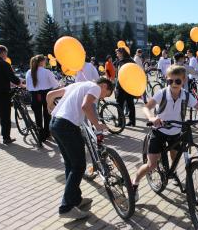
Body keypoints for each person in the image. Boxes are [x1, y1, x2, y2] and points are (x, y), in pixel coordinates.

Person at [131, 65, 198, 201]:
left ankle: (172, 172)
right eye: (170, 81)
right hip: (159, 131)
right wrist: (152, 118)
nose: (173, 84)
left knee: (175, 156)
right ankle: (135, 183)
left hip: (176, 132)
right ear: (166, 81)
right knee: (152, 165)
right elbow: (147, 107)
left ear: (184, 80)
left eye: (177, 81)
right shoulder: (162, 93)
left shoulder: (187, 95)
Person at [46, 77, 113, 219]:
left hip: (55, 124)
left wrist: (50, 107)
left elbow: (49, 95)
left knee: (70, 165)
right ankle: (66, 208)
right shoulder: (95, 87)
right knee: (79, 166)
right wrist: (98, 125)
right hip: (67, 126)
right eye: (105, 94)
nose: (101, 98)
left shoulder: (77, 85)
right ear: (104, 86)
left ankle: (75, 200)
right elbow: (85, 106)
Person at [25, 55, 59, 142]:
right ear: (41, 62)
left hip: (34, 95)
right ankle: (47, 133)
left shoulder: (29, 71)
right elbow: (55, 85)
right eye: (45, 61)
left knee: (37, 115)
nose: (46, 62)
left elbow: (28, 87)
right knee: (47, 114)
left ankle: (40, 135)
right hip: (46, 94)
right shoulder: (47, 71)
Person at [114, 47, 137, 126]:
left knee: (119, 104)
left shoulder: (121, 62)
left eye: (117, 53)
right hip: (130, 86)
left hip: (122, 86)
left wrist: (116, 86)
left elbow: (119, 75)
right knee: (130, 104)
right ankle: (132, 121)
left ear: (121, 53)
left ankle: (120, 122)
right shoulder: (132, 61)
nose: (116, 54)